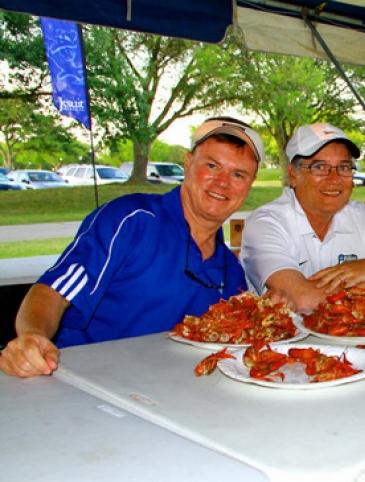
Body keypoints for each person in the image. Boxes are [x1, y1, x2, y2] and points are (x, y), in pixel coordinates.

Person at [0, 117, 264, 378]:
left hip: (162, 390)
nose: (222, 182)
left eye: (238, 174)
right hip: (78, 380)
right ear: (188, 163)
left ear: (249, 185)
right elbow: (52, 293)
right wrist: (33, 337)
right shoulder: (130, 220)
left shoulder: (231, 272)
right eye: (212, 165)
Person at [241, 122, 365, 311]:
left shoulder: (364, 218)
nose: (334, 179)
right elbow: (303, 299)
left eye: (343, 167)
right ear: (293, 175)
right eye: (319, 167)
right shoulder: (266, 223)